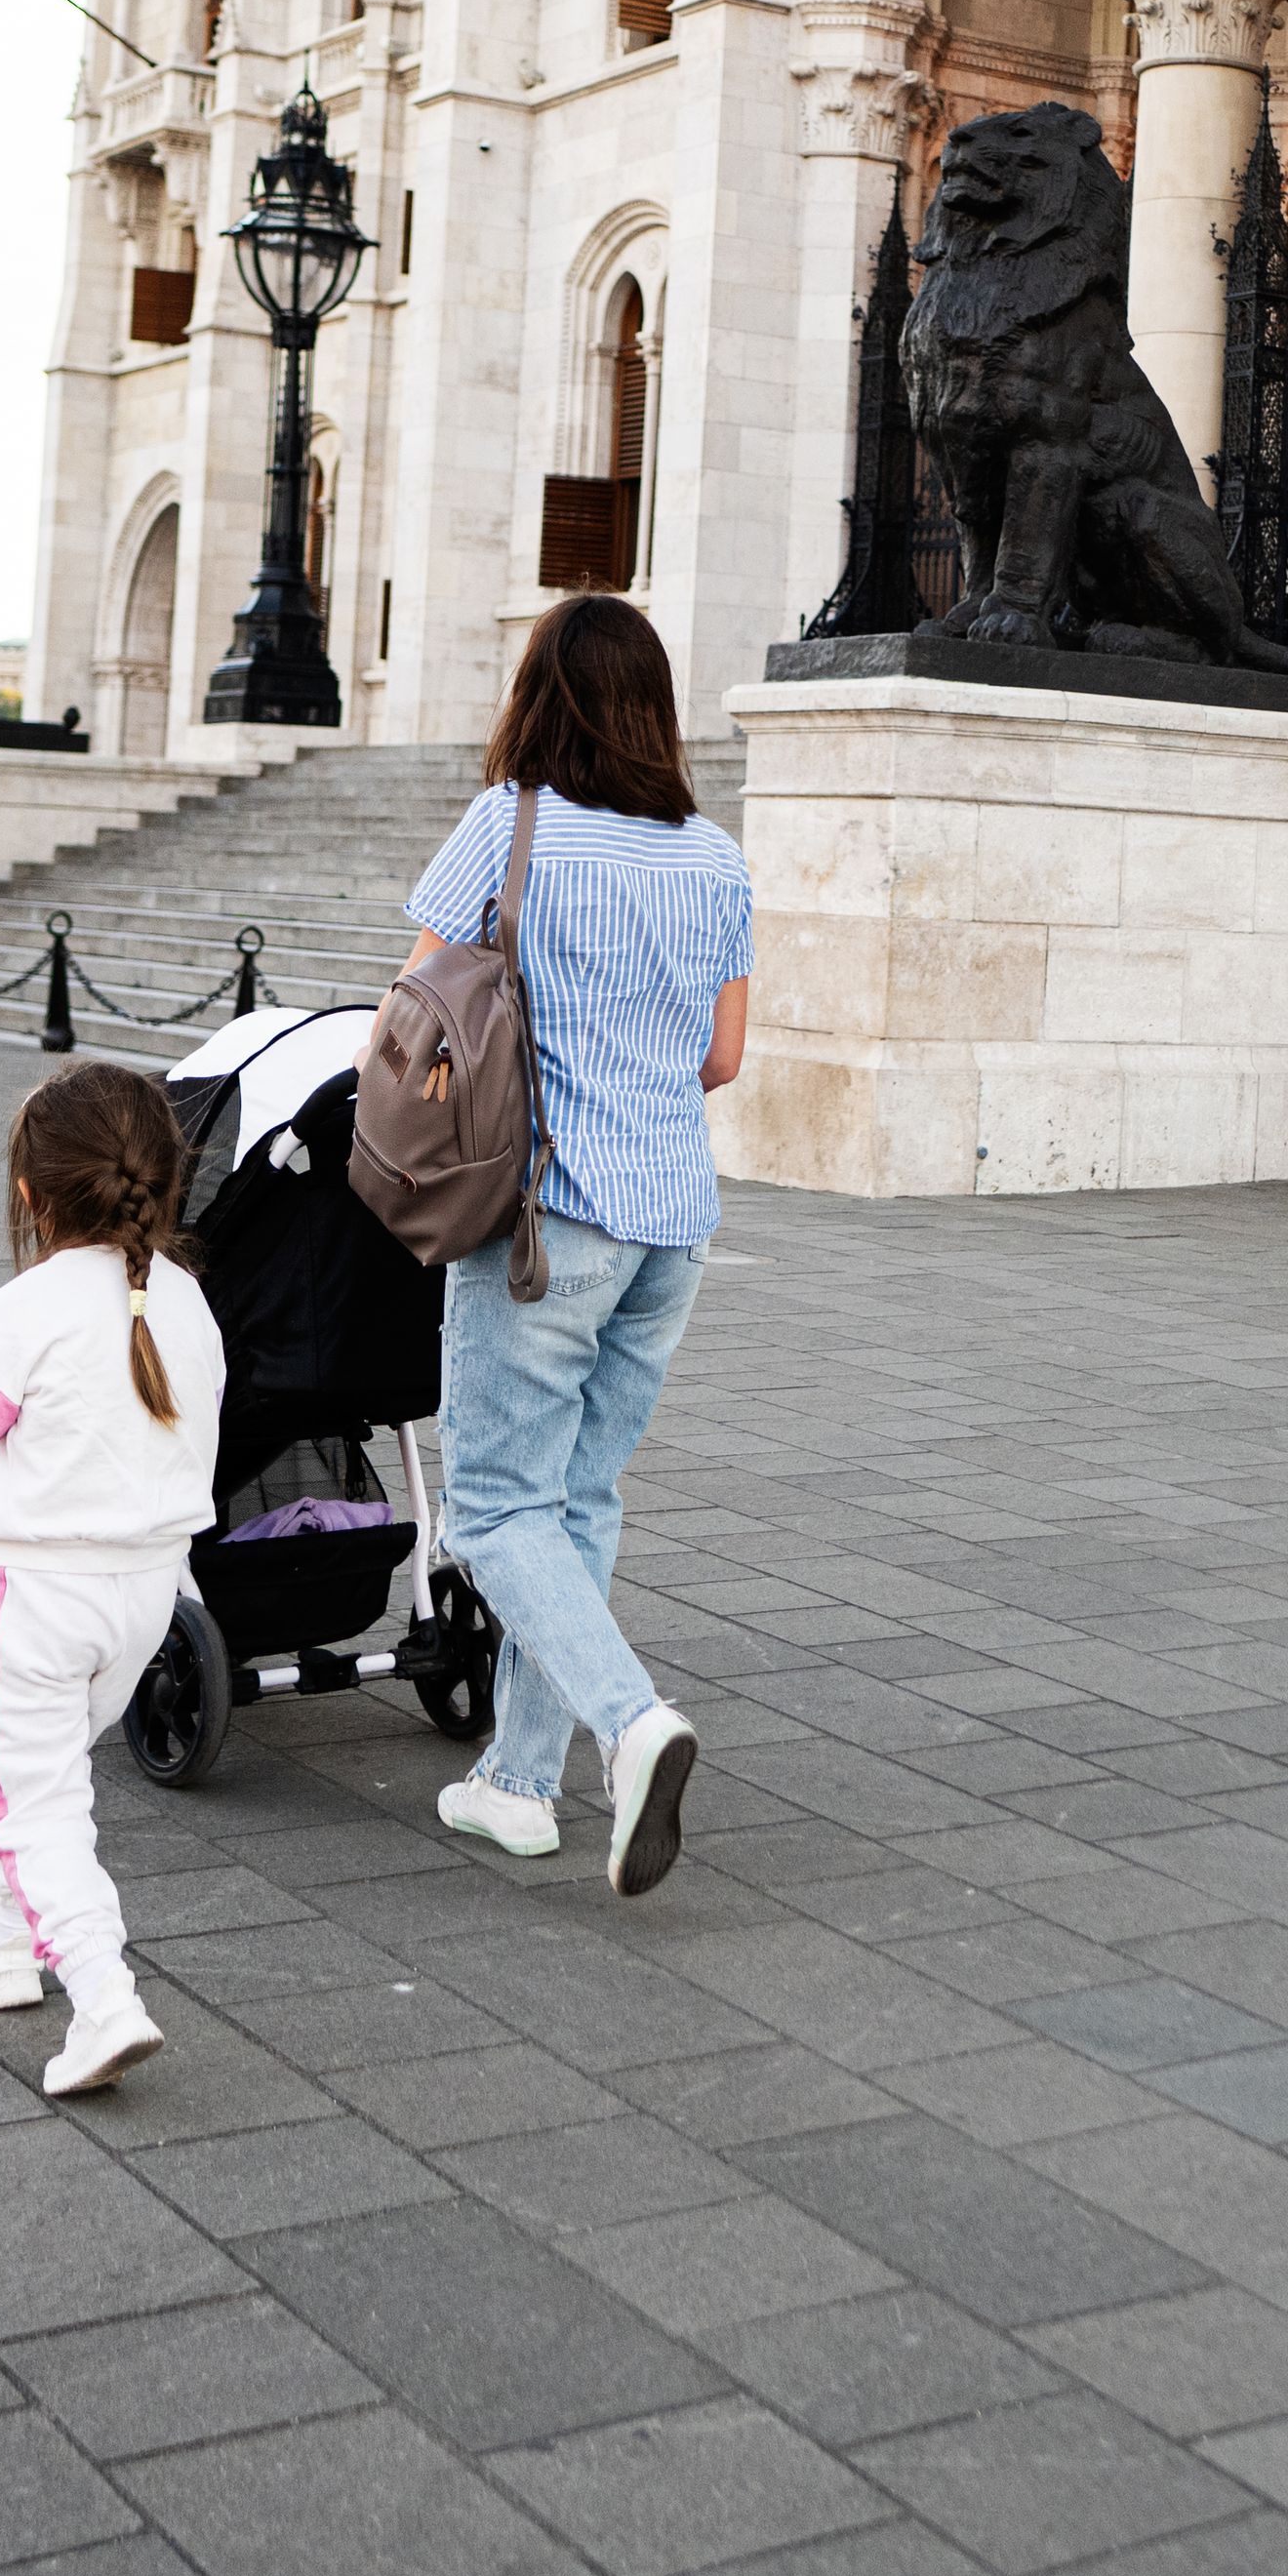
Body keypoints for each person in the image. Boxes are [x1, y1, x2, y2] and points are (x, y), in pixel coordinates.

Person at [401, 592, 750, 1900]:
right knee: (578, 1500)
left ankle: (630, 1721)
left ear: (538, 697)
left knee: (494, 1507)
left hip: (545, 1218)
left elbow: (417, 1010)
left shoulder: (512, 826)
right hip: (674, 1223)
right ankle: (515, 1783)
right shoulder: (714, 857)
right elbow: (722, 1057)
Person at [0, 1061, 224, 2097]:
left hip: (38, 1592)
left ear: (29, 1193)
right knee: (42, 1778)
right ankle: (4, 1940)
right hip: (149, 1597)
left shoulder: (21, 1311)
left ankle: (103, 1997)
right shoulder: (188, 1304)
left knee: (37, 1803)